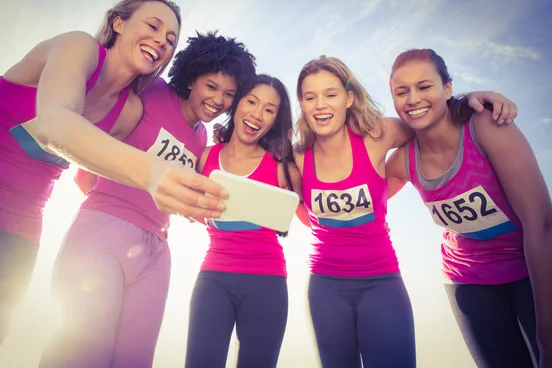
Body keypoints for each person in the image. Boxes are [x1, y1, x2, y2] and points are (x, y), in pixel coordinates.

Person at [0, 0, 190, 368]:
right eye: (153, 26)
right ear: (118, 22)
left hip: (13, 238)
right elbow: (54, 123)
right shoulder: (78, 47)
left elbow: (95, 158)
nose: (162, 40)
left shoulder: (128, 112)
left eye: (171, 40)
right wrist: (154, 173)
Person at [39, 32, 256, 368]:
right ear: (190, 79)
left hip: (157, 251)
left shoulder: (201, 139)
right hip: (103, 230)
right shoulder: (152, 92)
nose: (218, 100)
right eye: (210, 87)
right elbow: (79, 105)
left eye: (229, 94)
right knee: (81, 352)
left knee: (134, 360)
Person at [292, 55, 519, 368]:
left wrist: (470, 100)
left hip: (381, 281)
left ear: (349, 98)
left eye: (330, 94)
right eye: (310, 96)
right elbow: (301, 213)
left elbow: (428, 118)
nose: (320, 104)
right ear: (301, 103)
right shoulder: (296, 158)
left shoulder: (379, 135)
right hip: (325, 288)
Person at [386, 48, 551, 368]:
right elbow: (356, 196)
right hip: (468, 279)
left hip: (532, 269)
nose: (412, 99)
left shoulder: (487, 126)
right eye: (401, 91)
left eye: (424, 86)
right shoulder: (404, 160)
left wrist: (546, 334)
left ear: (447, 88)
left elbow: (542, 223)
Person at [185, 74, 300, 368]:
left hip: (267, 281)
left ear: (275, 121)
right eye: (252, 101)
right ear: (237, 103)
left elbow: (313, 210)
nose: (257, 114)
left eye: (269, 110)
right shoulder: (205, 157)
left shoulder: (282, 169)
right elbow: (196, 208)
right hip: (214, 277)